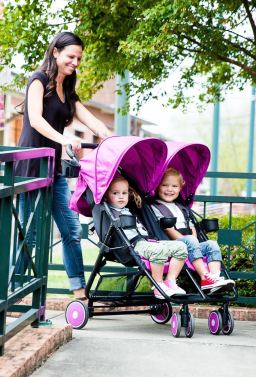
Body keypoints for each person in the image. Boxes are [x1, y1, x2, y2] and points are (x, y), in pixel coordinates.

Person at [14, 32, 112, 302]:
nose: (75, 62)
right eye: (71, 56)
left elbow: (93, 122)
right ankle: (12, 291)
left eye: (79, 58)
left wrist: (114, 140)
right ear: (55, 52)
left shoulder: (68, 90)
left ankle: (80, 295)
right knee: (30, 236)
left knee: (71, 231)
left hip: (53, 170)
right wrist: (65, 139)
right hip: (29, 169)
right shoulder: (38, 80)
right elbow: (35, 119)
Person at [152, 167, 235, 293]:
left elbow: (191, 227)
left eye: (174, 186)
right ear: (157, 186)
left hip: (190, 242)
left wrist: (194, 241)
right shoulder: (155, 207)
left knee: (211, 244)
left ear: (180, 188)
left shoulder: (182, 207)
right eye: (165, 185)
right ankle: (204, 277)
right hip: (172, 243)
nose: (169, 189)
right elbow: (167, 229)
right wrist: (189, 241)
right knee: (191, 240)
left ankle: (214, 279)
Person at [104, 174, 188, 299]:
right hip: (133, 244)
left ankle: (170, 281)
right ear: (105, 197)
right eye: (115, 193)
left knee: (181, 246)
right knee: (158, 250)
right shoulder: (110, 213)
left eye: (124, 193)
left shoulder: (127, 210)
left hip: (147, 240)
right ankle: (158, 286)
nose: (121, 196)